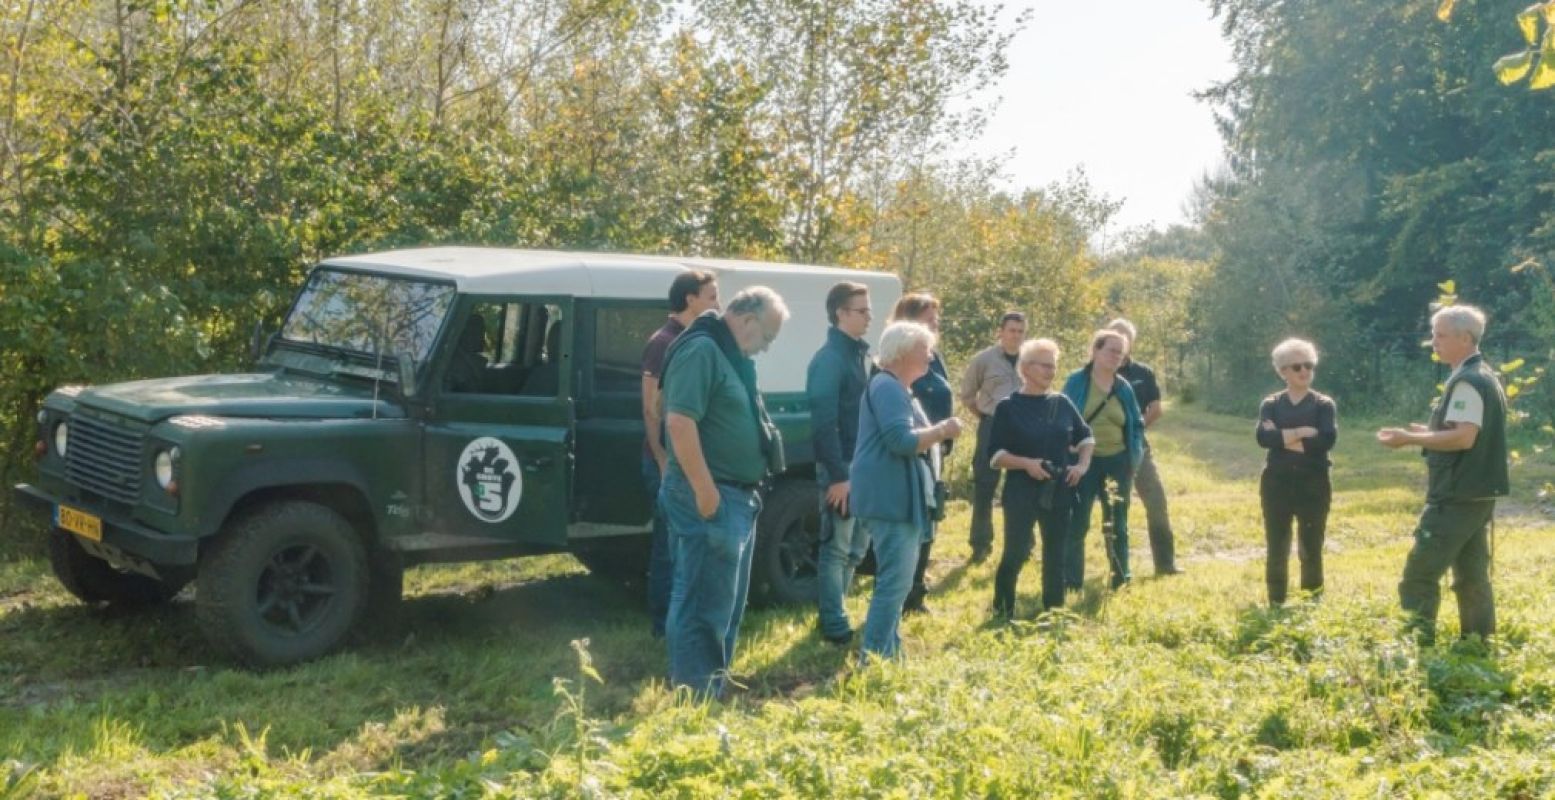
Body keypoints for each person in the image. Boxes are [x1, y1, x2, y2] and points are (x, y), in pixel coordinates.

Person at [659, 287, 789, 697]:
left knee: (725, 604)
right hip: (710, 496)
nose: (767, 348)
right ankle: (696, 698)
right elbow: (679, 422)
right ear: (748, 319)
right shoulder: (702, 350)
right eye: (768, 337)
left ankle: (711, 685)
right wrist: (705, 491)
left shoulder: (727, 352)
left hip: (736, 495)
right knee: (702, 604)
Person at [1378, 304, 1509, 646]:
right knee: (1471, 576)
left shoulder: (1467, 381)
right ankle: (1477, 644)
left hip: (1455, 495)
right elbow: (1465, 430)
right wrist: (1429, 430)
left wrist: (1409, 439)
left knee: (1419, 575)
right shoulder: (1484, 375)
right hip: (1477, 493)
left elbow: (1464, 437)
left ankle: (1416, 648)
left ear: (1465, 338)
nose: (1433, 341)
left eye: (1440, 335)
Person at [852, 321, 963, 659]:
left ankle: (890, 653)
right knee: (895, 583)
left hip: (897, 497)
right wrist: (943, 430)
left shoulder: (896, 387)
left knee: (897, 582)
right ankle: (874, 660)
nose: (930, 355)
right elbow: (900, 441)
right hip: (891, 499)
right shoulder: (887, 387)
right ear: (901, 352)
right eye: (923, 349)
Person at [989, 339, 1094, 616]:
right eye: (1045, 366)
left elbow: (1086, 438)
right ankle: (1002, 609)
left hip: (1058, 490)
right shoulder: (1007, 407)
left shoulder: (1061, 403)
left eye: (1054, 366)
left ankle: (1054, 611)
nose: (1051, 371)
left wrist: (1081, 466)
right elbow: (995, 455)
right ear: (1025, 368)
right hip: (1020, 491)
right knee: (1015, 552)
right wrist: (1026, 464)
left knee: (1056, 554)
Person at [641, 270, 719, 638]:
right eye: (711, 296)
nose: (716, 304)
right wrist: (661, 458)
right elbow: (651, 408)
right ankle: (663, 625)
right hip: (666, 460)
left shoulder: (693, 339)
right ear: (691, 299)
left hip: (683, 459)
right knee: (668, 547)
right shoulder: (664, 341)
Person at [807, 281, 873, 646]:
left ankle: (838, 612)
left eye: (868, 310)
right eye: (861, 310)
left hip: (861, 467)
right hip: (842, 469)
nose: (869, 317)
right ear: (840, 314)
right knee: (836, 547)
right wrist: (837, 476)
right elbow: (823, 422)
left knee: (856, 549)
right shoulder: (830, 359)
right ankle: (833, 621)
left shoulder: (856, 354)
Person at [1255, 338, 1337, 606]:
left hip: (1314, 483)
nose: (1305, 371)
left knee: (1311, 547)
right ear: (1283, 372)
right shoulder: (1271, 404)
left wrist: (1283, 438)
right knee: (1277, 546)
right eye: (1297, 366)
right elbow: (1264, 438)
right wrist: (1303, 432)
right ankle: (1276, 602)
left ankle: (1311, 603)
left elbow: (1325, 441)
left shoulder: (1324, 404)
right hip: (1276, 483)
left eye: (1309, 365)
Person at [1062, 329, 1145, 590]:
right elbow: (1062, 418)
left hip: (1117, 462)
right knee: (1079, 522)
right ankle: (1071, 581)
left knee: (1117, 523)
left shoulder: (1123, 387)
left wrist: (1135, 456)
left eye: (1120, 353)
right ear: (1095, 350)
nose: (1116, 356)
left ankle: (1121, 578)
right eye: (1111, 350)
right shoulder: (1076, 381)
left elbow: (1136, 423)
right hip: (1084, 463)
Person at [891, 293, 953, 614]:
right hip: (914, 450)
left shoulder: (934, 356)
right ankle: (904, 595)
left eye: (936, 319)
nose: (935, 324)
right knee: (913, 525)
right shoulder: (898, 361)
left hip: (935, 451)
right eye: (929, 318)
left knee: (931, 520)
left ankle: (917, 591)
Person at [1106, 318, 1183, 576]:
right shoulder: (1097, 372)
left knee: (1157, 502)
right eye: (1115, 335)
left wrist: (1136, 431)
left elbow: (1156, 409)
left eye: (1125, 337)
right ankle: (1117, 567)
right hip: (1106, 450)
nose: (1120, 341)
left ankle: (1166, 564)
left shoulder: (1143, 373)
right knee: (1116, 508)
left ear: (1131, 342)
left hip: (1139, 448)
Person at [959, 311, 1026, 562]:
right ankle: (980, 544)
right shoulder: (984, 359)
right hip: (992, 424)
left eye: (1020, 331)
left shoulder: (1031, 358)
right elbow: (967, 395)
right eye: (1011, 330)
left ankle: (1022, 543)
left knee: (1021, 487)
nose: (1016, 336)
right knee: (985, 486)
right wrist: (985, 418)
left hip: (1023, 428)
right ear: (1000, 332)